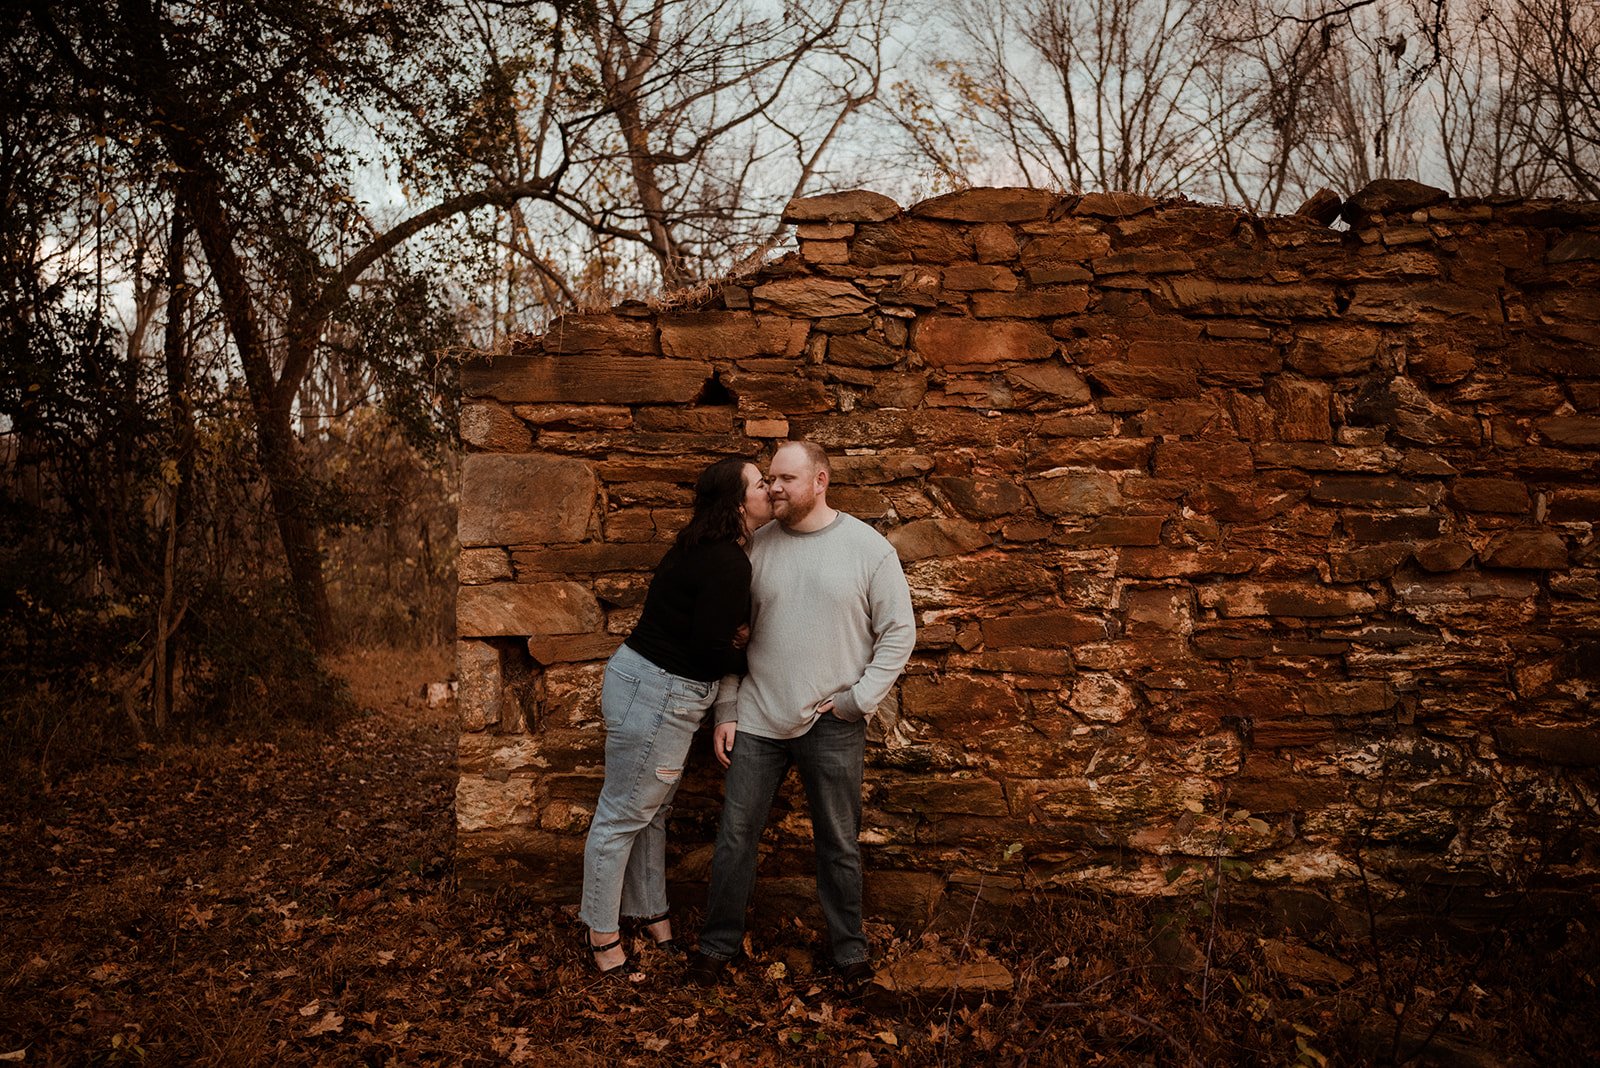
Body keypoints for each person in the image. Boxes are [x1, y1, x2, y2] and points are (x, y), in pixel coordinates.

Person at [691, 440, 916, 992]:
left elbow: (899, 633)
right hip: (759, 720)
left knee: (837, 843)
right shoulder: (756, 548)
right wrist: (726, 708)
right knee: (735, 839)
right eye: (769, 479)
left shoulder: (867, 549)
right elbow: (731, 638)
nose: (774, 489)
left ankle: (849, 953)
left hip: (832, 725)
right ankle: (716, 945)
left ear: (821, 481)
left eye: (787, 479)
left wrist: (856, 701)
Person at [579, 457, 773, 974]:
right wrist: (747, 649)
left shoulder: (700, 545)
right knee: (622, 816)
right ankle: (602, 937)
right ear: (737, 501)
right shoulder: (727, 563)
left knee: (650, 812)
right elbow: (710, 650)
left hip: (648, 683)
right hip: (659, 693)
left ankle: (651, 913)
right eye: (761, 483)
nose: (770, 488)